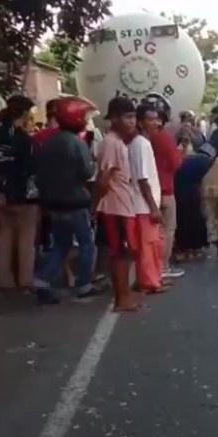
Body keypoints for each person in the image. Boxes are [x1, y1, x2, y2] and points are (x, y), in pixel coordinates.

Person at [33, 97, 99, 304]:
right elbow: (87, 173)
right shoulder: (77, 143)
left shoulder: (48, 142)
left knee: (61, 245)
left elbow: (40, 175)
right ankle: (85, 284)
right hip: (75, 201)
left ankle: (42, 279)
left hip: (54, 202)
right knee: (87, 244)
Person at [0, 95, 39, 296]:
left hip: (0, 194)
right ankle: (25, 281)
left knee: (4, 238)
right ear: (24, 113)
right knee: (26, 239)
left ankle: (4, 281)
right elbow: (30, 168)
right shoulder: (24, 139)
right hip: (23, 195)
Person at [96, 97, 140, 312]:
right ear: (114, 118)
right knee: (119, 253)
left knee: (125, 252)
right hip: (115, 206)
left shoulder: (118, 142)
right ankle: (122, 299)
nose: (132, 122)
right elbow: (103, 178)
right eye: (127, 117)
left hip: (122, 204)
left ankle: (125, 296)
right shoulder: (112, 143)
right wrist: (97, 204)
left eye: (133, 117)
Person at [141, 94, 185, 279]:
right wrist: (181, 151)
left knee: (151, 234)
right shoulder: (164, 138)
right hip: (165, 189)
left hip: (146, 192)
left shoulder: (140, 139)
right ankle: (163, 266)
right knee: (168, 230)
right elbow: (176, 164)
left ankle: (151, 268)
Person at [128, 103, 168, 294]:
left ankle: (153, 278)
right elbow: (143, 179)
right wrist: (153, 207)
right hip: (143, 206)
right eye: (151, 119)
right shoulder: (141, 144)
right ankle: (150, 281)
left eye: (157, 119)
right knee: (148, 246)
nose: (156, 123)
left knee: (153, 245)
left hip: (145, 204)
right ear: (141, 122)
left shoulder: (141, 143)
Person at [173, 142, 212, 262]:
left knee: (182, 220)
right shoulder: (205, 161)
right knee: (196, 220)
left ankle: (183, 249)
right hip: (194, 193)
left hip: (179, 192)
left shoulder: (184, 160)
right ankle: (195, 250)